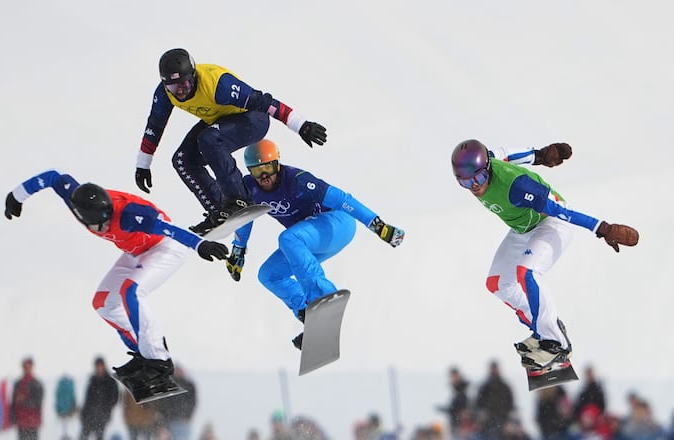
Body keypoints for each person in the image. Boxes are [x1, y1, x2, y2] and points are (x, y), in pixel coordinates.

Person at [4, 169, 228, 402]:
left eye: (106, 222)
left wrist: (200, 245)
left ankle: (159, 361)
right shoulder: (75, 198)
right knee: (104, 303)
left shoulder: (129, 215)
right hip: (136, 251)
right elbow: (51, 177)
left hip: (166, 247)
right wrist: (16, 196)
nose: (104, 227)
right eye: (99, 226)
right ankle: (143, 352)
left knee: (131, 292)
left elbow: (168, 228)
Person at [450, 140, 639, 370]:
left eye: (478, 179)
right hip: (523, 228)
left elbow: (560, 211)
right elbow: (507, 154)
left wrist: (603, 228)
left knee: (527, 272)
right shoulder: (489, 159)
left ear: (487, 168)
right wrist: (539, 156)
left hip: (552, 223)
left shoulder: (517, 186)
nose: (475, 187)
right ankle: (543, 328)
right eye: (465, 183)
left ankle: (556, 343)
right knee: (498, 283)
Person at [225, 139, 404, 348]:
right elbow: (246, 217)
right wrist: (238, 251)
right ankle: (309, 316)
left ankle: (323, 297)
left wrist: (378, 225)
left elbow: (342, 198)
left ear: (277, 164)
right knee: (269, 275)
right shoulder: (249, 189)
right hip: (308, 239)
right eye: (257, 171)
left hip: (338, 224)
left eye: (267, 168)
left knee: (288, 238)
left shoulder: (297, 180)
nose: (264, 176)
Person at [134, 48, 328, 235]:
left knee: (208, 138)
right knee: (182, 160)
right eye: (174, 88)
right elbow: (155, 126)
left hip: (253, 119)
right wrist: (143, 164)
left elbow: (264, 102)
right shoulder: (164, 94)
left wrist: (301, 125)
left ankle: (239, 199)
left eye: (185, 85)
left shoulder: (219, 84)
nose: (181, 92)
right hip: (220, 121)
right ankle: (219, 209)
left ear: (194, 76)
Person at [79, 357, 120, 440]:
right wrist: (84, 413)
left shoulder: (110, 381)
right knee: (83, 436)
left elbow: (114, 398)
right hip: (89, 416)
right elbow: (88, 399)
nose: (98, 368)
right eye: (97, 366)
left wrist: (105, 409)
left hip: (102, 417)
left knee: (99, 436)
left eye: (100, 366)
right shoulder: (92, 380)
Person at [474, 360, 515, 440]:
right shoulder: (484, 387)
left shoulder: (505, 387)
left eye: (495, 368)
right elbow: (477, 405)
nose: (494, 370)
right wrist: (481, 416)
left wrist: (508, 420)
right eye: (493, 368)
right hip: (487, 424)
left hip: (502, 422)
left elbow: (510, 405)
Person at [155, 364, 196, 440]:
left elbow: (192, 402)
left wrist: (188, 416)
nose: (178, 372)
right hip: (167, 420)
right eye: (176, 370)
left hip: (182, 420)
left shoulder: (189, 385)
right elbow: (161, 402)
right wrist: (161, 421)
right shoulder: (167, 384)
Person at [10, 357, 44, 440]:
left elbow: (38, 402)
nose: (26, 369)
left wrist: (23, 401)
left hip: (32, 422)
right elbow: (13, 403)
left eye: (28, 367)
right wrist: (12, 417)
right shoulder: (18, 383)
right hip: (21, 422)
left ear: (32, 367)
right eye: (24, 367)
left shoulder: (37, 384)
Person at [55, 374, 77, 440]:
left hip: (63, 409)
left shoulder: (60, 385)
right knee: (67, 424)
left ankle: (65, 436)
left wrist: (58, 409)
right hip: (68, 409)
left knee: (65, 424)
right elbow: (73, 397)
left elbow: (58, 397)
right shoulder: (70, 384)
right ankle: (65, 436)